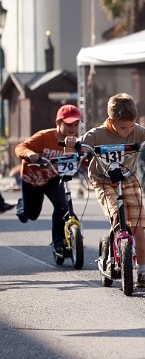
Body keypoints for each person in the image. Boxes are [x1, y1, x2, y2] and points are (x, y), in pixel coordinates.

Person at [64, 94, 145, 288]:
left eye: (131, 126)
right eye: (123, 127)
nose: (128, 131)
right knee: (116, 214)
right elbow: (73, 152)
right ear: (111, 120)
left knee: (138, 229)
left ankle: (143, 271)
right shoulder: (96, 134)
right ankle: (112, 253)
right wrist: (71, 145)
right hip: (104, 182)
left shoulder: (136, 130)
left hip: (128, 181)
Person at [14, 105, 82, 255]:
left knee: (62, 205)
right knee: (31, 215)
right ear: (58, 123)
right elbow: (20, 147)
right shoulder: (44, 136)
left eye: (76, 124)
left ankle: (58, 243)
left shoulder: (73, 142)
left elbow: (84, 158)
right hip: (33, 179)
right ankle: (22, 206)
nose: (73, 128)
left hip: (53, 178)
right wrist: (30, 153)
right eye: (69, 124)